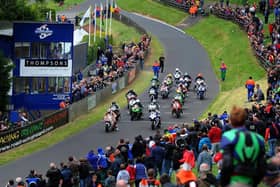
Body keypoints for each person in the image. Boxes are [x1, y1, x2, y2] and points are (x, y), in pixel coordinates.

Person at [220, 106, 266, 187]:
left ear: (231, 120)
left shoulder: (228, 136)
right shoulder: (259, 138)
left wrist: (224, 182)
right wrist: (256, 182)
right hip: (251, 180)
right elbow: (262, 165)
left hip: (234, 180)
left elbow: (226, 163)